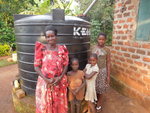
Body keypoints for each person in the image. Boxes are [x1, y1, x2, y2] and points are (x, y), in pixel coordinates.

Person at [34, 25, 69, 113]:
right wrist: (46, 79)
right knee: (46, 106)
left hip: (59, 82)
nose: (50, 38)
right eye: (48, 37)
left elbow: (66, 64)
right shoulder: (41, 49)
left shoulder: (62, 49)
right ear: (45, 38)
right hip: (46, 83)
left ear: (56, 36)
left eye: (52, 36)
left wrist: (60, 77)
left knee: (58, 107)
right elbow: (36, 66)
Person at [92, 32, 111, 112]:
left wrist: (108, 75)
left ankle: (99, 104)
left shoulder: (107, 50)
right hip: (94, 70)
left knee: (101, 88)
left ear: (105, 40)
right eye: (100, 39)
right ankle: (95, 99)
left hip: (102, 71)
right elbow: (90, 60)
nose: (101, 41)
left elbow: (108, 62)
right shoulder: (93, 48)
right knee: (94, 87)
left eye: (103, 39)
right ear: (97, 39)